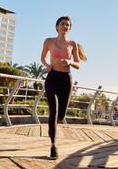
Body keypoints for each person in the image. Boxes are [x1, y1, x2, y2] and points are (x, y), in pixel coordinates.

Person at [41, 16, 87, 160]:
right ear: (57, 26)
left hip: (66, 79)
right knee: (53, 111)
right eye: (62, 24)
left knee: (61, 115)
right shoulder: (49, 41)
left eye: (67, 25)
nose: (65, 26)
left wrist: (70, 62)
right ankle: (53, 146)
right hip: (52, 78)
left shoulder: (73, 44)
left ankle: (53, 126)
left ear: (69, 28)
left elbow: (78, 64)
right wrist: (47, 65)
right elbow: (43, 57)